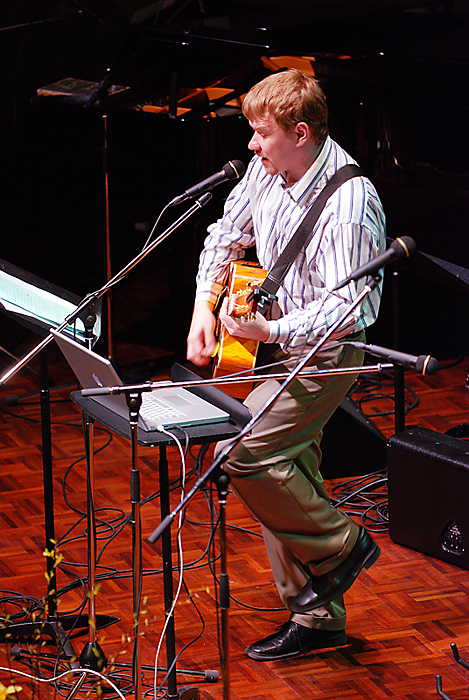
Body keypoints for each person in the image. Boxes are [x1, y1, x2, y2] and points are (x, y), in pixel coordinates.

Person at [186, 68, 386, 661]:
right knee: (290, 468)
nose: (251, 145)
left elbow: (352, 309)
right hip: (276, 344)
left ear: (300, 133)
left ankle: (342, 547)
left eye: (261, 132)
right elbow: (226, 234)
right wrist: (203, 307)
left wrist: (271, 329)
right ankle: (317, 618)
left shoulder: (350, 203)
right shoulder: (267, 169)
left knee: (243, 453)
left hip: (327, 353)